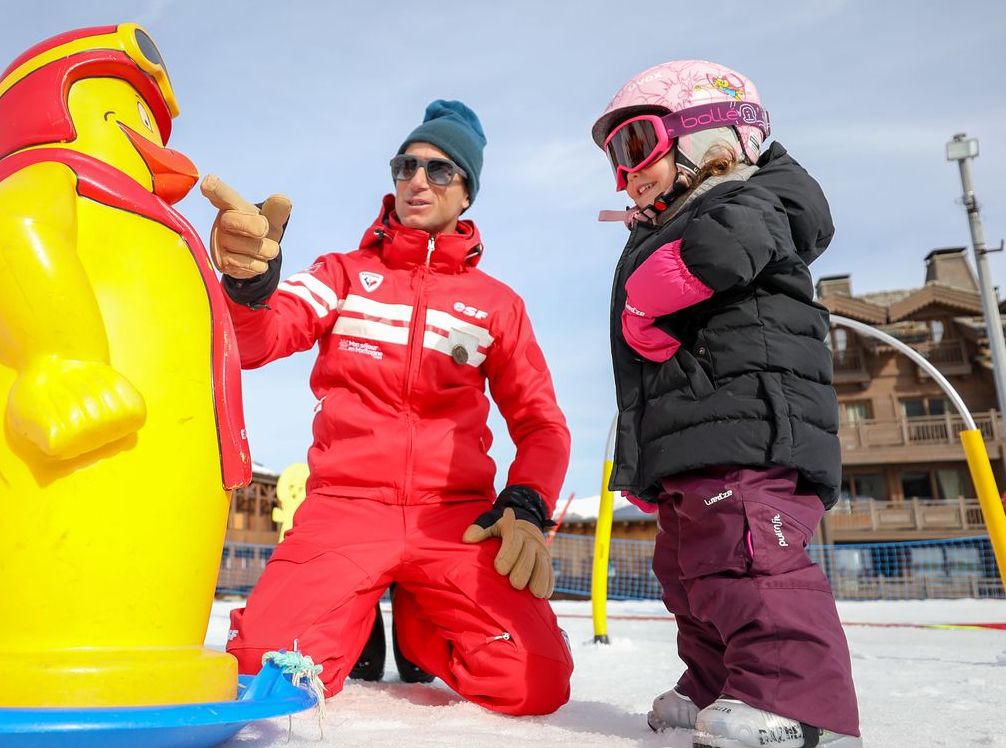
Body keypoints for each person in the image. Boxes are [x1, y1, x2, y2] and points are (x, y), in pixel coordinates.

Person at [200, 99, 574, 715]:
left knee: (533, 683)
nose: (417, 181)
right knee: (263, 676)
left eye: (439, 171)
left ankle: (421, 624)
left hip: (455, 519)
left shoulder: (497, 304)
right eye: (406, 166)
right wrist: (246, 287)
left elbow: (541, 423)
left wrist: (528, 501)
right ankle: (357, 609)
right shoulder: (342, 275)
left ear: (467, 194)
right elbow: (258, 341)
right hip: (347, 508)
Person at [590, 61, 861, 746]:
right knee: (689, 575)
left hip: (749, 434)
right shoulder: (680, 216)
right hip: (699, 441)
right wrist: (652, 462)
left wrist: (659, 283)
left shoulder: (754, 199)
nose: (627, 174)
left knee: (747, 561)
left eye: (636, 146)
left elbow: (730, 245)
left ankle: (793, 701)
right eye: (615, 160)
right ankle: (718, 683)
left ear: (710, 139)